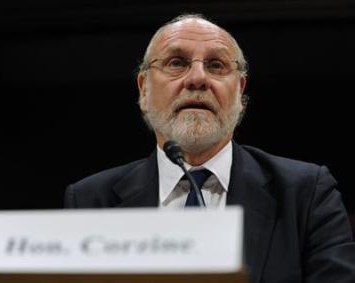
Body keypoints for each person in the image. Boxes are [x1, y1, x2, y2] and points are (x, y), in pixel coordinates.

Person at [65, 14, 355, 283]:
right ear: (143, 89)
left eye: (216, 66)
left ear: (240, 91)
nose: (198, 79)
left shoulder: (306, 193)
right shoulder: (91, 200)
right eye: (176, 63)